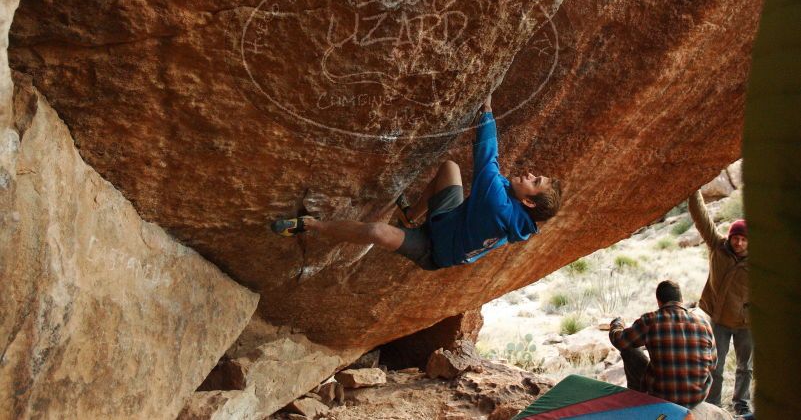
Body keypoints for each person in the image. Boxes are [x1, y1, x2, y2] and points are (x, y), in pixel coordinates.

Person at [270, 94, 562, 270]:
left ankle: (310, 225)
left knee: (377, 232)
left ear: (528, 201)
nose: (529, 173)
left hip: (433, 250)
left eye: (534, 181)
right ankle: (410, 214)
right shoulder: (516, 213)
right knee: (449, 168)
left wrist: (487, 112)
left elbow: (488, 159)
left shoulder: (499, 206)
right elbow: (493, 176)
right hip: (449, 220)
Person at [689, 190, 752, 415]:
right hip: (720, 321)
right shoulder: (717, 247)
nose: (739, 242)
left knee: (745, 368)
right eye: (736, 237)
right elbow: (702, 219)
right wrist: (693, 190)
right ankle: (714, 405)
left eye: (744, 239)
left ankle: (741, 405)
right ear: (730, 236)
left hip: (747, 325)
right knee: (715, 366)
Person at [609, 280, 717, 409]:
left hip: (662, 396)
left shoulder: (651, 320)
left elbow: (619, 341)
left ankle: (636, 402)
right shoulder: (704, 324)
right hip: (695, 397)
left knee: (629, 350)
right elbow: (713, 363)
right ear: (681, 299)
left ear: (659, 301)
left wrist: (617, 324)